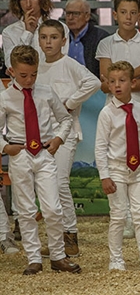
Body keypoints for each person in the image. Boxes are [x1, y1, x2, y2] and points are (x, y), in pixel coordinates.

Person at [0, 45, 81, 275]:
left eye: (34, 74)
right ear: (11, 71)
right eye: (24, 75)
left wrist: (58, 139)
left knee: (53, 209)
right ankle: (34, 259)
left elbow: (65, 119)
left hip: (44, 153)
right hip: (20, 154)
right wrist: (5, 146)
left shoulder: (45, 92)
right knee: (25, 210)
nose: (29, 79)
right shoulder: (5, 97)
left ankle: (58, 256)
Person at [37, 19, 101, 258]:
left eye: (53, 37)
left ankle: (70, 236)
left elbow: (93, 82)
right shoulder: (38, 66)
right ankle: (55, 240)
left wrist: (70, 103)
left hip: (66, 132)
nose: (48, 42)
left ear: (63, 41)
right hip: (42, 133)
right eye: (44, 37)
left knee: (60, 181)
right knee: (46, 184)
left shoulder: (69, 64)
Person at [95, 61, 140, 273]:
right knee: (119, 215)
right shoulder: (107, 113)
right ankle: (116, 259)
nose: (117, 86)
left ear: (132, 83)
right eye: (112, 82)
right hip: (116, 170)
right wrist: (104, 175)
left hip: (139, 169)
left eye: (122, 81)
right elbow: (100, 147)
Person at [97, 0, 140, 105]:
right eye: (123, 12)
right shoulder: (105, 43)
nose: (128, 17)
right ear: (115, 15)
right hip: (112, 107)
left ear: (139, 16)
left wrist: (117, 81)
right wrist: (134, 81)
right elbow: (105, 85)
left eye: (133, 13)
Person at [2, 0, 69, 73]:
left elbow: (60, 63)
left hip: (52, 84)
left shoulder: (60, 28)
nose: (28, 4)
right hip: (22, 86)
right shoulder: (9, 32)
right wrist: (28, 33)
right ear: (18, 2)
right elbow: (12, 65)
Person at [64, 0, 110, 78]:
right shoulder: (62, 36)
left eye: (76, 14)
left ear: (87, 16)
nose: (70, 18)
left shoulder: (101, 38)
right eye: (68, 13)